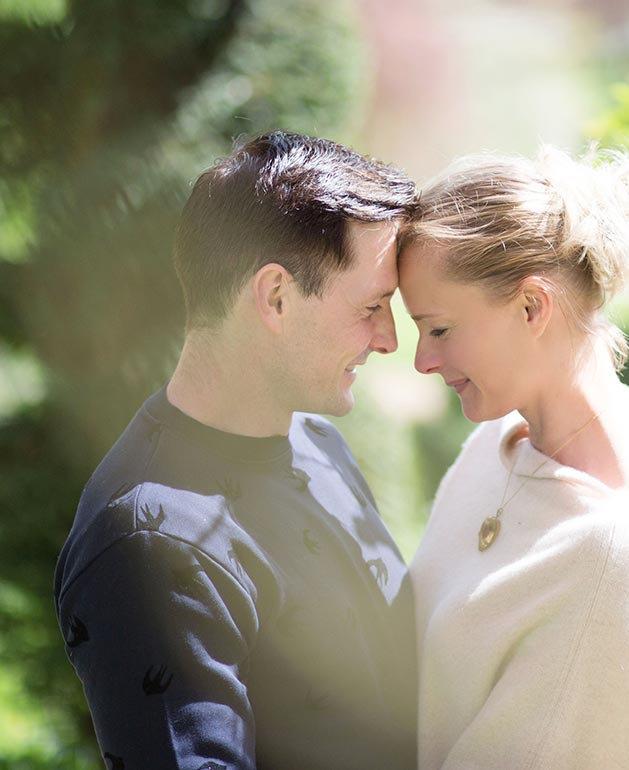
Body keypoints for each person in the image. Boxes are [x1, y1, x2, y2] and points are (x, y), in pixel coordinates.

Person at [54, 131, 418, 770]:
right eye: (372, 305)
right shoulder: (149, 541)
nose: (389, 338)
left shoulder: (317, 441)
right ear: (275, 297)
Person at [398, 146, 629, 770]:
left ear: (533, 306)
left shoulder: (616, 553)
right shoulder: (495, 446)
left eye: (440, 329)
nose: (422, 360)